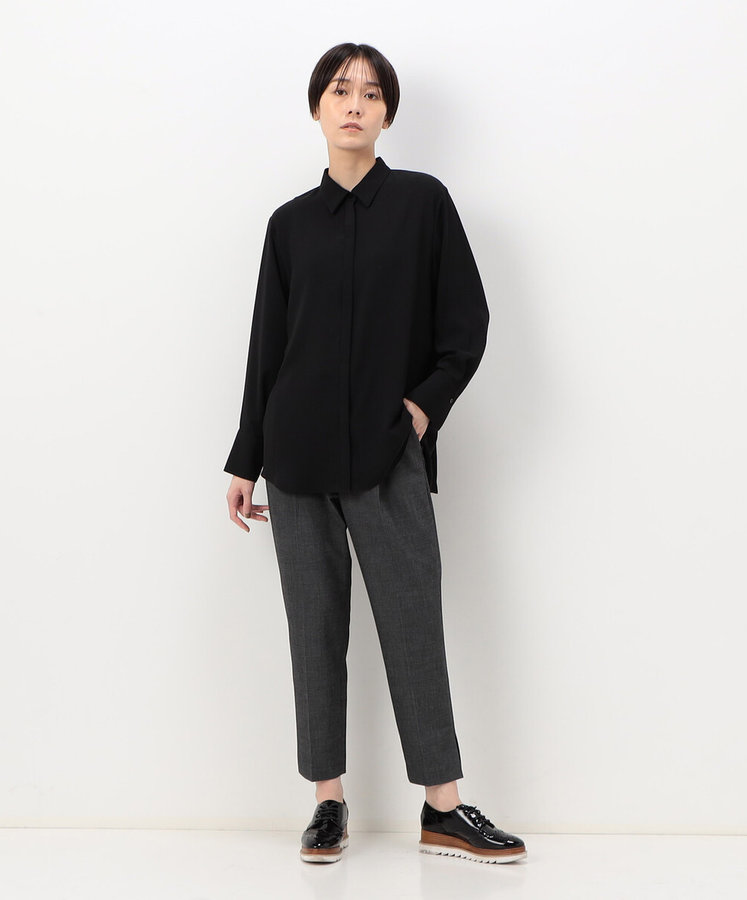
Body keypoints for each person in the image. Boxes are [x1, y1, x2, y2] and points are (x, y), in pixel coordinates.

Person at [224, 42, 527, 866]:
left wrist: (422, 410)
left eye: (369, 92)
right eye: (339, 89)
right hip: (296, 460)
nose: (354, 103)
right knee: (314, 630)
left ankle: (443, 808)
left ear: (387, 112)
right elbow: (267, 348)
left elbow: (466, 327)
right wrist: (246, 458)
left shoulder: (424, 204)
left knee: (412, 623)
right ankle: (327, 801)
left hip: (389, 454)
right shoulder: (289, 225)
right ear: (317, 108)